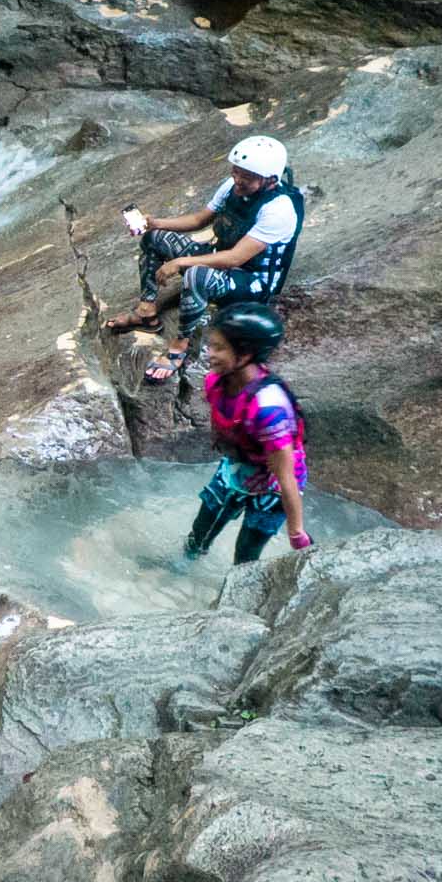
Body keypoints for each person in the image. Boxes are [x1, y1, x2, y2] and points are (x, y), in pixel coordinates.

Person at [105, 134, 305, 385]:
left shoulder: (279, 209)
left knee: (196, 274)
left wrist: (180, 263)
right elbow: (200, 220)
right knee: (154, 238)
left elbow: (234, 258)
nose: (238, 180)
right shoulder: (231, 186)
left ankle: (180, 344)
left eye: (248, 177)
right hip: (219, 256)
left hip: (251, 281)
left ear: (271, 180)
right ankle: (147, 313)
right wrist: (155, 223)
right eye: (236, 172)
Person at [184, 303, 313, 565]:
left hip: (273, 487)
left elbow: (286, 476)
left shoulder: (269, 410)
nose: (210, 353)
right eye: (212, 345)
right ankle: (181, 568)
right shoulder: (216, 382)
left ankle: (234, 596)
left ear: (245, 355)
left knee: (246, 554)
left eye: (219, 348)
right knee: (201, 530)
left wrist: (296, 532)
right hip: (238, 468)